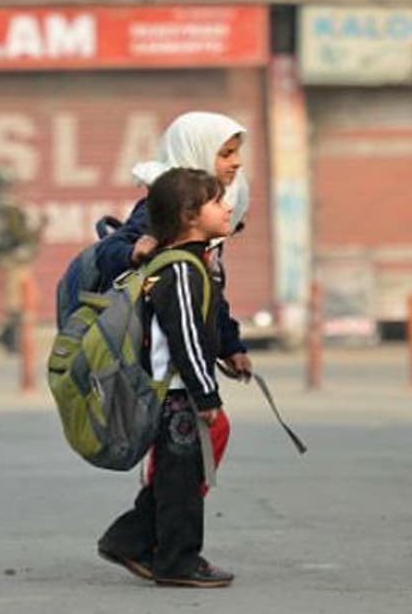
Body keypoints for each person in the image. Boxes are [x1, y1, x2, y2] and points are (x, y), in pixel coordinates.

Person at [97, 167, 238, 588]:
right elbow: (186, 339)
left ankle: (130, 538)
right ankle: (177, 561)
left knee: (179, 478)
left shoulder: (190, 264)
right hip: (176, 395)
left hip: (178, 391)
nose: (228, 207)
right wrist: (206, 395)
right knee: (181, 484)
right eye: (217, 202)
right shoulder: (179, 271)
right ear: (189, 213)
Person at [96, 112, 254, 381]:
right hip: (152, 372)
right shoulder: (166, 207)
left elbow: (208, 289)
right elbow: (106, 253)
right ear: (197, 152)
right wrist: (133, 252)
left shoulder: (209, 211)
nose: (237, 162)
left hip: (184, 369)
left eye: (237, 153)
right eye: (226, 154)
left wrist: (230, 346)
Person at [0, 167, 41, 353]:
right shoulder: (8, 207)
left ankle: (10, 337)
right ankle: (9, 338)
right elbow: (18, 233)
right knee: (19, 300)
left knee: (17, 298)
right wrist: (34, 234)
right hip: (14, 256)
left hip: (6, 256)